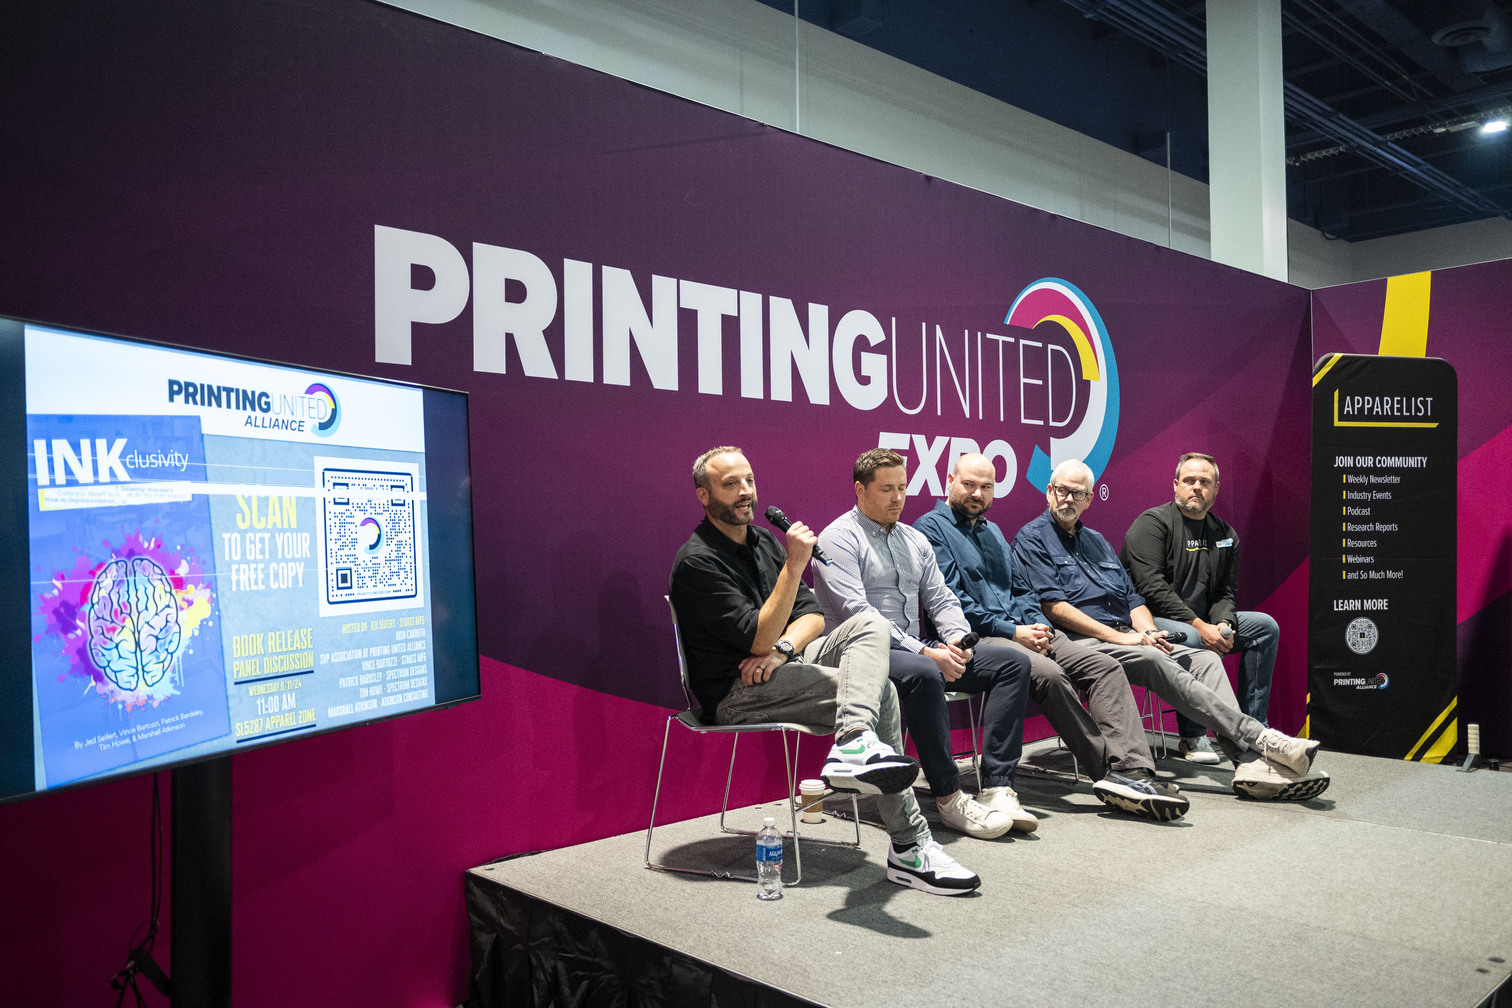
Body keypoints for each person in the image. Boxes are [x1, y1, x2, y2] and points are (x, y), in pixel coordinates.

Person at [669, 446, 980, 895]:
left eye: (749, 480)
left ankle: (855, 742)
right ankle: (910, 845)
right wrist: (795, 568)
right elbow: (753, 637)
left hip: (780, 665)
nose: (745, 492)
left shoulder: (763, 542)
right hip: (736, 692)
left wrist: (781, 649)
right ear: (704, 495)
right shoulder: (697, 560)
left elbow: (812, 615)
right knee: (884, 693)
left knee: (869, 621)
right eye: (730, 484)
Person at [1011, 458, 1329, 802]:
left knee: (1205, 660)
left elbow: (1133, 599)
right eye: (1061, 490)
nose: (1068, 499)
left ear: (1090, 499)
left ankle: (1249, 762)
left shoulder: (1097, 542)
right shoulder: (1033, 538)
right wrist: (1124, 638)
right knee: (1155, 657)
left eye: (1077, 493)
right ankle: (1260, 740)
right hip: (1080, 641)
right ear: (1048, 493)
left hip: (1126, 635)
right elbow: (1054, 607)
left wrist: (1148, 632)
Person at [913, 453, 1189, 821]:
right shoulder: (929, 528)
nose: (977, 493)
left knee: (1104, 666)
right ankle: (1111, 774)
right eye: (969, 484)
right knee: (1049, 674)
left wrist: (1035, 626)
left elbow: (1020, 590)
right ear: (949, 481)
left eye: (986, 487)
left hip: (1026, 630)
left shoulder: (993, 532)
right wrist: (1016, 632)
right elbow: (952, 604)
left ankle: (1136, 770)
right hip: (979, 637)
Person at [813, 448, 1037, 841]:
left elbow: (941, 598)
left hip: (918, 648)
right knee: (922, 672)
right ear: (860, 490)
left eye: (902, 487)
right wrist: (926, 653)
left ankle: (999, 785)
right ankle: (950, 796)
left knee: (1012, 663)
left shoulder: (914, 539)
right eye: (886, 489)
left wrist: (956, 639)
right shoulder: (837, 539)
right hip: (859, 656)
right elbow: (858, 612)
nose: (898, 497)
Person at [1120, 452, 1279, 765]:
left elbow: (1225, 592)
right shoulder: (1151, 524)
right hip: (1149, 620)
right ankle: (1192, 736)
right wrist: (1199, 627)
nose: (1196, 487)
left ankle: (1255, 728)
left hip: (1202, 620)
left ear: (1216, 489)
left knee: (1264, 627)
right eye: (1189, 481)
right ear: (1176, 485)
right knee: (1190, 639)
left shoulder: (1225, 534)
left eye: (1204, 482)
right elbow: (1151, 588)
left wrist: (1223, 625)